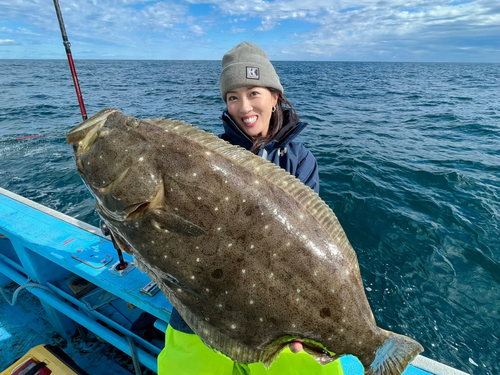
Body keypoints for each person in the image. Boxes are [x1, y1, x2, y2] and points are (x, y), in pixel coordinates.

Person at [158, 42, 344, 375]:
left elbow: (309, 244)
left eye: (254, 92)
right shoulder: (206, 156)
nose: (244, 107)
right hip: (204, 302)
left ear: (275, 96)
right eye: (233, 97)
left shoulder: (300, 162)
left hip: (276, 305)